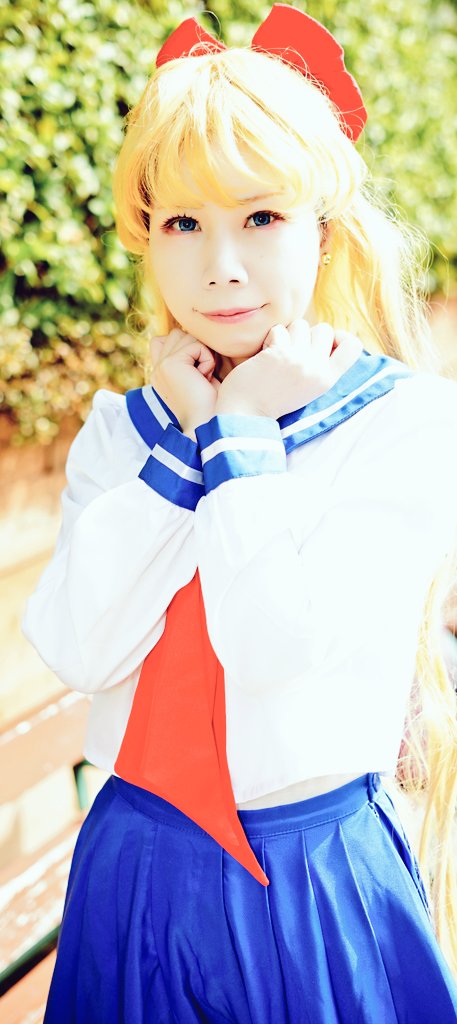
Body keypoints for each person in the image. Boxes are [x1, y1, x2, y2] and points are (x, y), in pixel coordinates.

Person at [21, 5, 457, 1021]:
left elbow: (273, 648)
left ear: (322, 230)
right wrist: (186, 448)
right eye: (184, 223)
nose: (220, 265)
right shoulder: (122, 432)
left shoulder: (402, 423)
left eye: (260, 218)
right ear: (147, 240)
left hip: (309, 878)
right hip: (132, 871)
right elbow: (77, 648)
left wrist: (243, 436)